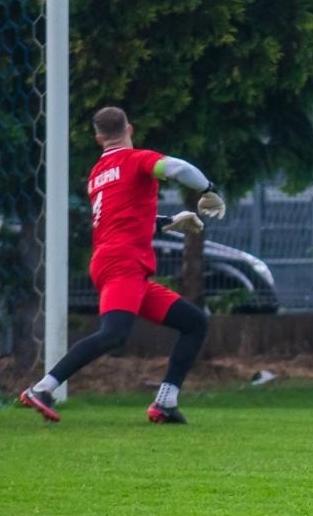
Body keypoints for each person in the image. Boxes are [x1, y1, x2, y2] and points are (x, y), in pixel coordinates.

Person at [18, 106, 226, 425]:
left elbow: (122, 219)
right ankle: (42, 388)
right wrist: (209, 190)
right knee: (114, 333)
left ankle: (166, 401)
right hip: (123, 263)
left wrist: (170, 222)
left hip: (115, 261)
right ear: (130, 129)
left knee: (194, 323)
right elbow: (178, 168)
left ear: (99, 137)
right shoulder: (136, 159)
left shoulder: (97, 175)